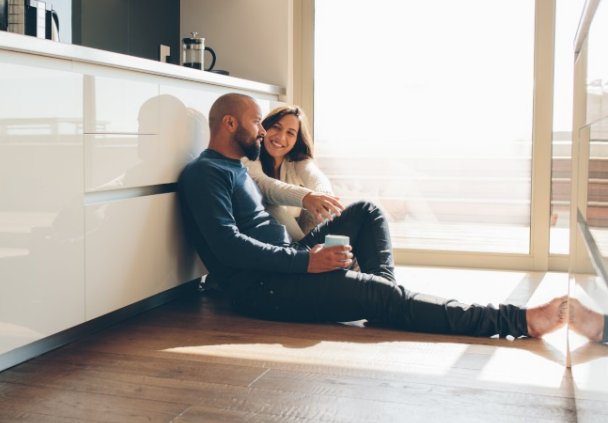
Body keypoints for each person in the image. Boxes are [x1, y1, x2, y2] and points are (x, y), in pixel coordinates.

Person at [178, 92, 566, 338]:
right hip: (264, 289)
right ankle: (516, 322)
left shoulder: (239, 170)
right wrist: (305, 263)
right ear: (229, 124)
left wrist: (304, 253)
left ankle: (383, 300)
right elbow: (227, 247)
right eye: (256, 122)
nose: (263, 132)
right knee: (379, 294)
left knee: (368, 211)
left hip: (289, 261)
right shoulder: (204, 173)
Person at [243, 105, 338, 240]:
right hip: (265, 233)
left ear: (296, 140)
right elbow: (263, 184)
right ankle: (307, 251)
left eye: (290, 133)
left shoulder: (296, 161)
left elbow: (315, 176)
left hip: (299, 229)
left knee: (368, 208)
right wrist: (306, 197)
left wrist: (325, 197)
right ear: (265, 127)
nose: (281, 137)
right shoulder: (249, 156)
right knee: (271, 205)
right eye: (276, 127)